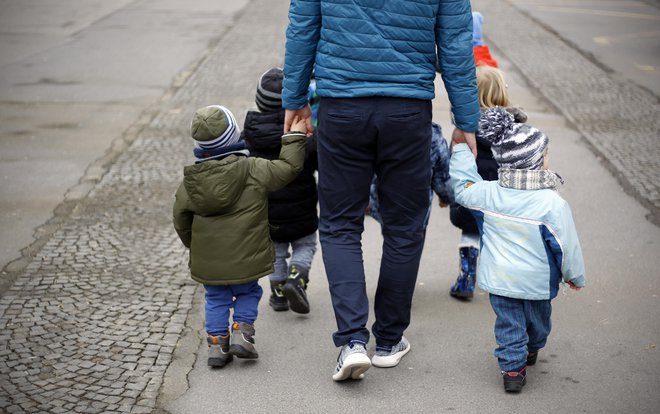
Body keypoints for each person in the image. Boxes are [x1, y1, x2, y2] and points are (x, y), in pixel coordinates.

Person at [282, 0, 480, 381]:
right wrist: (465, 118)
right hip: (407, 109)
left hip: (341, 106)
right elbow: (455, 40)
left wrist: (295, 100)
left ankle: (353, 341)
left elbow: (302, 27)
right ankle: (389, 340)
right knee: (405, 226)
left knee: (340, 224)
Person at [449, 107, 586, 392]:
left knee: (509, 323)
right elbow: (565, 245)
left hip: (500, 279)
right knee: (537, 323)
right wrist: (575, 275)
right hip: (537, 281)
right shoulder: (552, 204)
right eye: (545, 154)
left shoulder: (490, 193)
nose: (549, 158)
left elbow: (463, 188)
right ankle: (524, 357)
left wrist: (461, 149)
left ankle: (515, 365)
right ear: (536, 162)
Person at [172, 105, 307, 367]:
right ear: (234, 136)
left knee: (215, 297)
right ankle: (242, 333)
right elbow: (288, 167)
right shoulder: (253, 168)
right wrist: (294, 137)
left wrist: (196, 246)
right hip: (247, 256)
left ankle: (216, 346)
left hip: (210, 260)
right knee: (248, 292)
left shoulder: (190, 182)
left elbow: (180, 220)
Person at [242, 67, 319, 314]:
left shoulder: (247, 137)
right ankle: (297, 278)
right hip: (302, 208)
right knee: (305, 244)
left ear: (259, 101)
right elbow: (319, 161)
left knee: (275, 252)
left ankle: (277, 295)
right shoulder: (304, 136)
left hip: (266, 211)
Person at [449, 65, 528, 299]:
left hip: (471, 195)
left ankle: (466, 278)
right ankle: (504, 282)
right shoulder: (514, 126)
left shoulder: (464, 127)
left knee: (470, 232)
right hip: (504, 196)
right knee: (503, 238)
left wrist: (446, 191)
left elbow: (451, 160)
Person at [368, 122, 454, 226]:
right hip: (416, 207)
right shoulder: (430, 132)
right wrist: (446, 197)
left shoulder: (374, 127)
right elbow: (443, 176)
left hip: (383, 204)